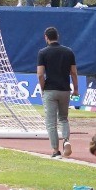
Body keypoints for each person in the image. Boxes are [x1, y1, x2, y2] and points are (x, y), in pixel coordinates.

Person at [36, 26, 79, 158]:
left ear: (46, 37)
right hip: (65, 89)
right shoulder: (68, 52)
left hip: (50, 89)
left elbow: (40, 74)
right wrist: (76, 89)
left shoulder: (43, 53)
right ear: (57, 36)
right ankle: (66, 140)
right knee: (63, 118)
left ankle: (55, 151)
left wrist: (42, 88)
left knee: (51, 122)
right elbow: (73, 72)